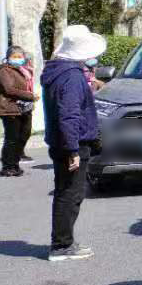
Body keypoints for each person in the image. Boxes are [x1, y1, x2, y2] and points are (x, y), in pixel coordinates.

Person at [41, 25, 106, 260]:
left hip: (64, 142)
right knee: (70, 194)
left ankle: (63, 242)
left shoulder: (58, 71)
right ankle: (62, 245)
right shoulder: (71, 76)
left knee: (66, 193)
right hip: (72, 143)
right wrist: (72, 149)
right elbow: (69, 114)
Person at [0, 44, 37, 177]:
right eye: (14, 56)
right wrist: (30, 96)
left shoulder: (22, 70)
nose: (18, 59)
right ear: (8, 57)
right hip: (10, 108)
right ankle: (8, 166)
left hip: (24, 108)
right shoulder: (5, 70)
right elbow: (9, 89)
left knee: (24, 134)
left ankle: (15, 163)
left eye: (20, 56)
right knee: (12, 138)